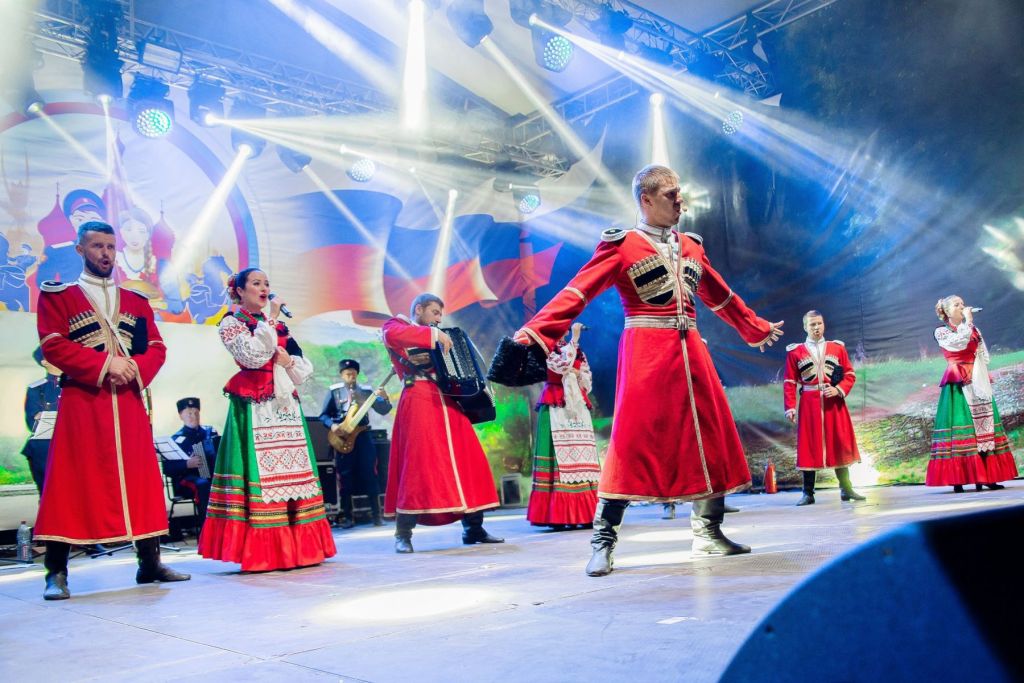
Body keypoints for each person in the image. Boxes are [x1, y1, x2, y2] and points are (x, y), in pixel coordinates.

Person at [513, 164, 783, 577]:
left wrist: (754, 327)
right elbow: (577, 292)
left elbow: (718, 293)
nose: (680, 202)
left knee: (708, 435)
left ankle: (708, 532)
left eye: (679, 194)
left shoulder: (690, 246)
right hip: (646, 352)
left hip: (692, 352)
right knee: (631, 439)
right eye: (671, 195)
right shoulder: (622, 246)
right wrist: (534, 333)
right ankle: (603, 541)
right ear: (646, 199)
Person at [34, 220, 189, 600]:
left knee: (141, 479)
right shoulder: (59, 296)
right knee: (69, 481)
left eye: (109, 246)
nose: (105, 253)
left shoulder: (136, 301)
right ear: (80, 250)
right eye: (96, 246)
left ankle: (149, 563)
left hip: (129, 402)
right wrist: (105, 365)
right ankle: (56, 571)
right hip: (84, 400)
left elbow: (156, 347)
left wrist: (133, 366)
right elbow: (53, 344)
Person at [198, 268, 336, 571]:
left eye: (266, 284)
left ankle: (299, 548)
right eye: (256, 283)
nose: (263, 289)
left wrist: (288, 361)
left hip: (284, 405)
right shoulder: (232, 323)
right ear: (240, 291)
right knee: (262, 474)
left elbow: (303, 367)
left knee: (293, 474)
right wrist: (271, 320)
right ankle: (265, 551)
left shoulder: (279, 326)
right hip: (255, 407)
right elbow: (253, 357)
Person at [381, 293, 503, 553]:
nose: (438, 319)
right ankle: (403, 534)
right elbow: (392, 336)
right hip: (418, 399)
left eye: (440, 315)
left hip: (448, 401)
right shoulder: (395, 325)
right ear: (419, 309)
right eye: (434, 312)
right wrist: (434, 335)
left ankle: (473, 528)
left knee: (468, 459)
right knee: (417, 465)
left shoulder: (438, 333)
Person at [927, 296, 1018, 492]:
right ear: (947, 311)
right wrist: (968, 322)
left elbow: (983, 353)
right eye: (956, 305)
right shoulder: (941, 331)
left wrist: (979, 369)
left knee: (984, 426)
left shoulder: (973, 329)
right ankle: (959, 478)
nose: (962, 307)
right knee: (962, 424)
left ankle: (986, 476)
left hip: (977, 379)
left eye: (962, 304)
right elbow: (958, 344)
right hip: (958, 380)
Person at [783, 311, 865, 505]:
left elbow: (849, 375)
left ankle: (846, 489)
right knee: (808, 445)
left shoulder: (837, 348)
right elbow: (789, 381)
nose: (816, 327)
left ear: (824, 324)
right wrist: (790, 407)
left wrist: (838, 390)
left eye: (819, 323)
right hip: (809, 405)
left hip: (833, 403)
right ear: (805, 327)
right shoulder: (795, 352)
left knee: (839, 442)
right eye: (812, 324)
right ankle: (808, 493)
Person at [526, 322, 601, 528]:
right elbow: (561, 366)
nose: (566, 330)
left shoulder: (576, 350)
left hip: (576, 404)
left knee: (581, 457)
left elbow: (586, 378)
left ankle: (585, 514)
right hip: (556, 403)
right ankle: (557, 516)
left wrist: (578, 375)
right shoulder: (546, 347)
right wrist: (574, 341)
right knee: (558, 458)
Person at [319, 358, 392, 528]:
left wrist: (385, 398)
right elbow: (323, 415)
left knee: (370, 474)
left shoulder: (366, 391)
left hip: (363, 436)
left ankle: (377, 516)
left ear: (357, 374)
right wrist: (333, 425)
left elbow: (383, 410)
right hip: (343, 437)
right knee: (345, 477)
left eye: (353, 373)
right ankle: (347, 517)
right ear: (341, 375)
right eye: (347, 374)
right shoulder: (334, 392)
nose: (350, 376)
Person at [165, 397, 220, 533]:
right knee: (203, 485)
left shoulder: (209, 432)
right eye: (189, 413)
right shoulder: (175, 439)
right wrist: (186, 464)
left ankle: (226, 528)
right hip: (186, 480)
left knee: (227, 482)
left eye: (196, 412)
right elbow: (168, 469)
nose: (193, 416)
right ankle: (206, 531)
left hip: (211, 476)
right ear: (181, 416)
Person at [21, 347, 61, 494]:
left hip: (74, 439)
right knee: (40, 447)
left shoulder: (75, 386)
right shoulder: (36, 389)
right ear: (44, 362)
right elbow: (32, 421)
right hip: (46, 442)